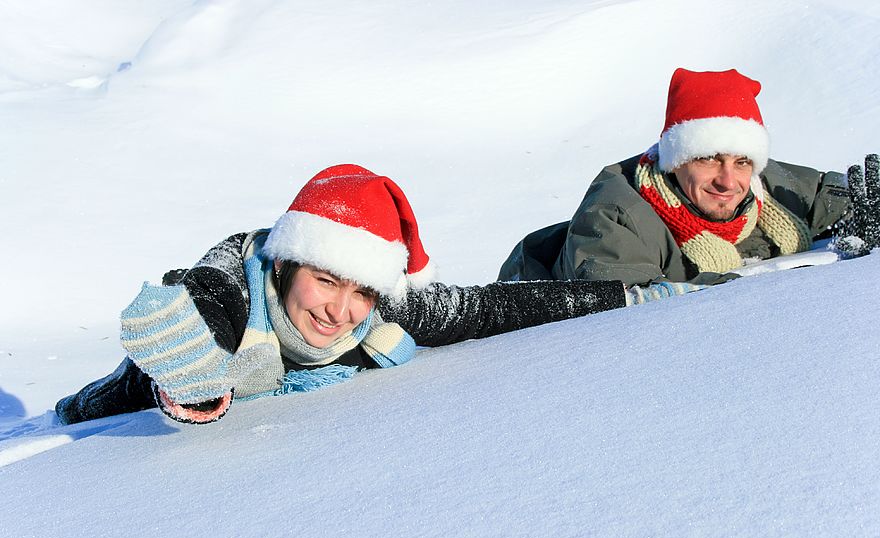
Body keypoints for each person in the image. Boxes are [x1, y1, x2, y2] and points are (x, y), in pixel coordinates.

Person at [56, 164, 703, 425]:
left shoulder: (384, 305)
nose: (340, 309)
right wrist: (190, 366)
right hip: (131, 395)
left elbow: (492, 308)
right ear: (285, 265)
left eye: (361, 290)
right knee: (102, 401)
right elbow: (201, 298)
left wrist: (631, 298)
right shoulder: (236, 277)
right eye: (326, 279)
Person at [497, 67, 857, 287]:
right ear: (674, 161)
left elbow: (839, 198)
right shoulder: (616, 217)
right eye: (708, 160)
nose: (728, 181)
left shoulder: (771, 190)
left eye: (742, 162)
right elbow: (636, 313)